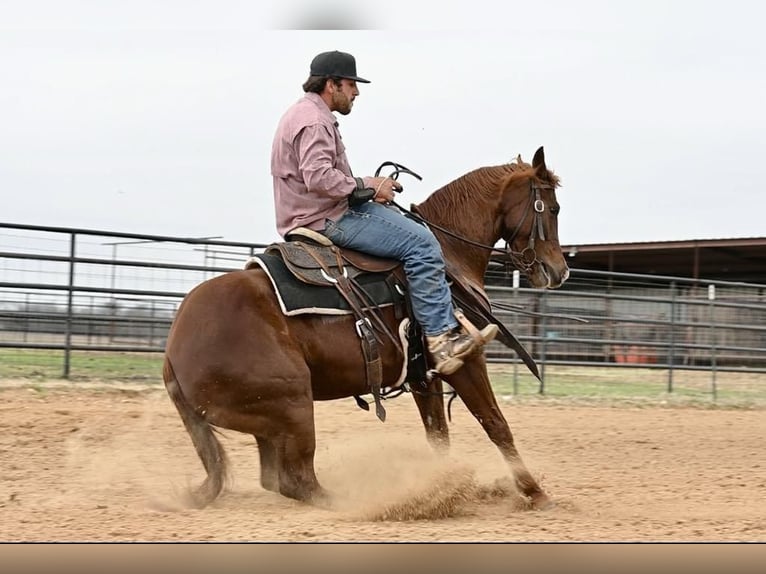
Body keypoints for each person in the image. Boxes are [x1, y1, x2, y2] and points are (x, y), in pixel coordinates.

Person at [270, 50, 497, 375]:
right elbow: (318, 177)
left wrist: (369, 188)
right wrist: (369, 186)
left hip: (314, 212)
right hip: (326, 219)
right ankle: (442, 339)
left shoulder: (302, 113)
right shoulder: (314, 121)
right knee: (422, 243)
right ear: (331, 84)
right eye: (351, 84)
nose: (356, 92)